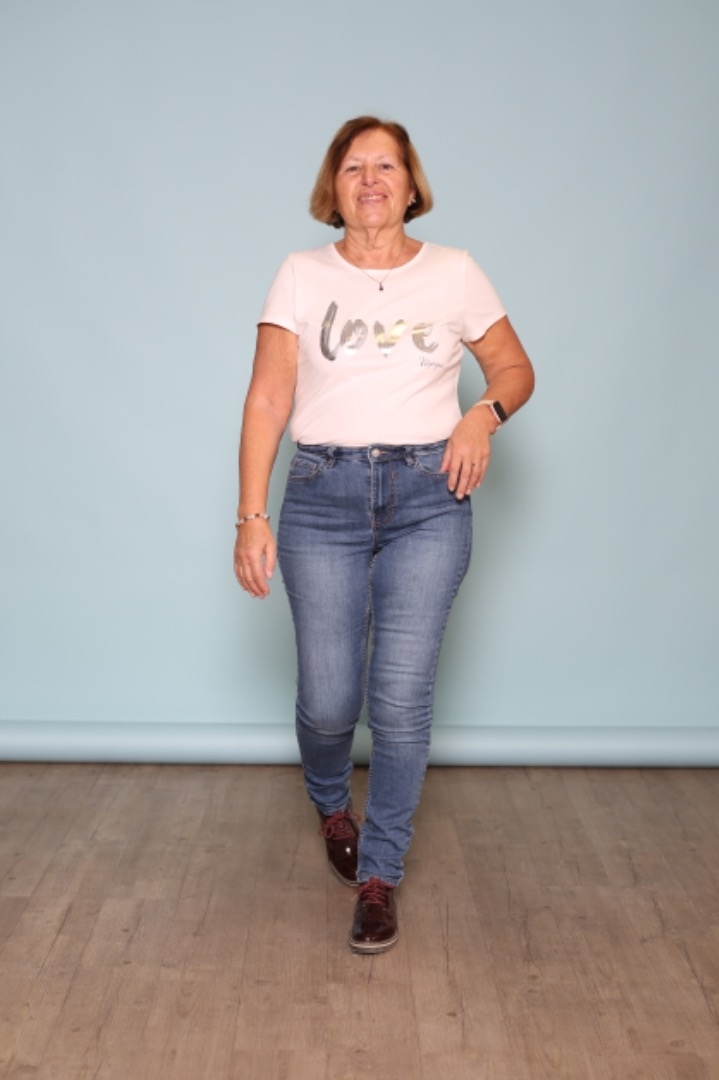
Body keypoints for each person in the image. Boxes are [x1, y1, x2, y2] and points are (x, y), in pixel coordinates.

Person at [234, 116, 534, 954]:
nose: (370, 179)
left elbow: (514, 368)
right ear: (332, 189)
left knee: (399, 699)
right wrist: (251, 515)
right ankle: (332, 803)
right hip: (321, 494)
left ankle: (379, 875)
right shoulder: (300, 274)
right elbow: (267, 399)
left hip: (428, 497)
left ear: (410, 186)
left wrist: (481, 414)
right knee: (331, 698)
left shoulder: (454, 271)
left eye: (386, 166)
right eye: (353, 167)